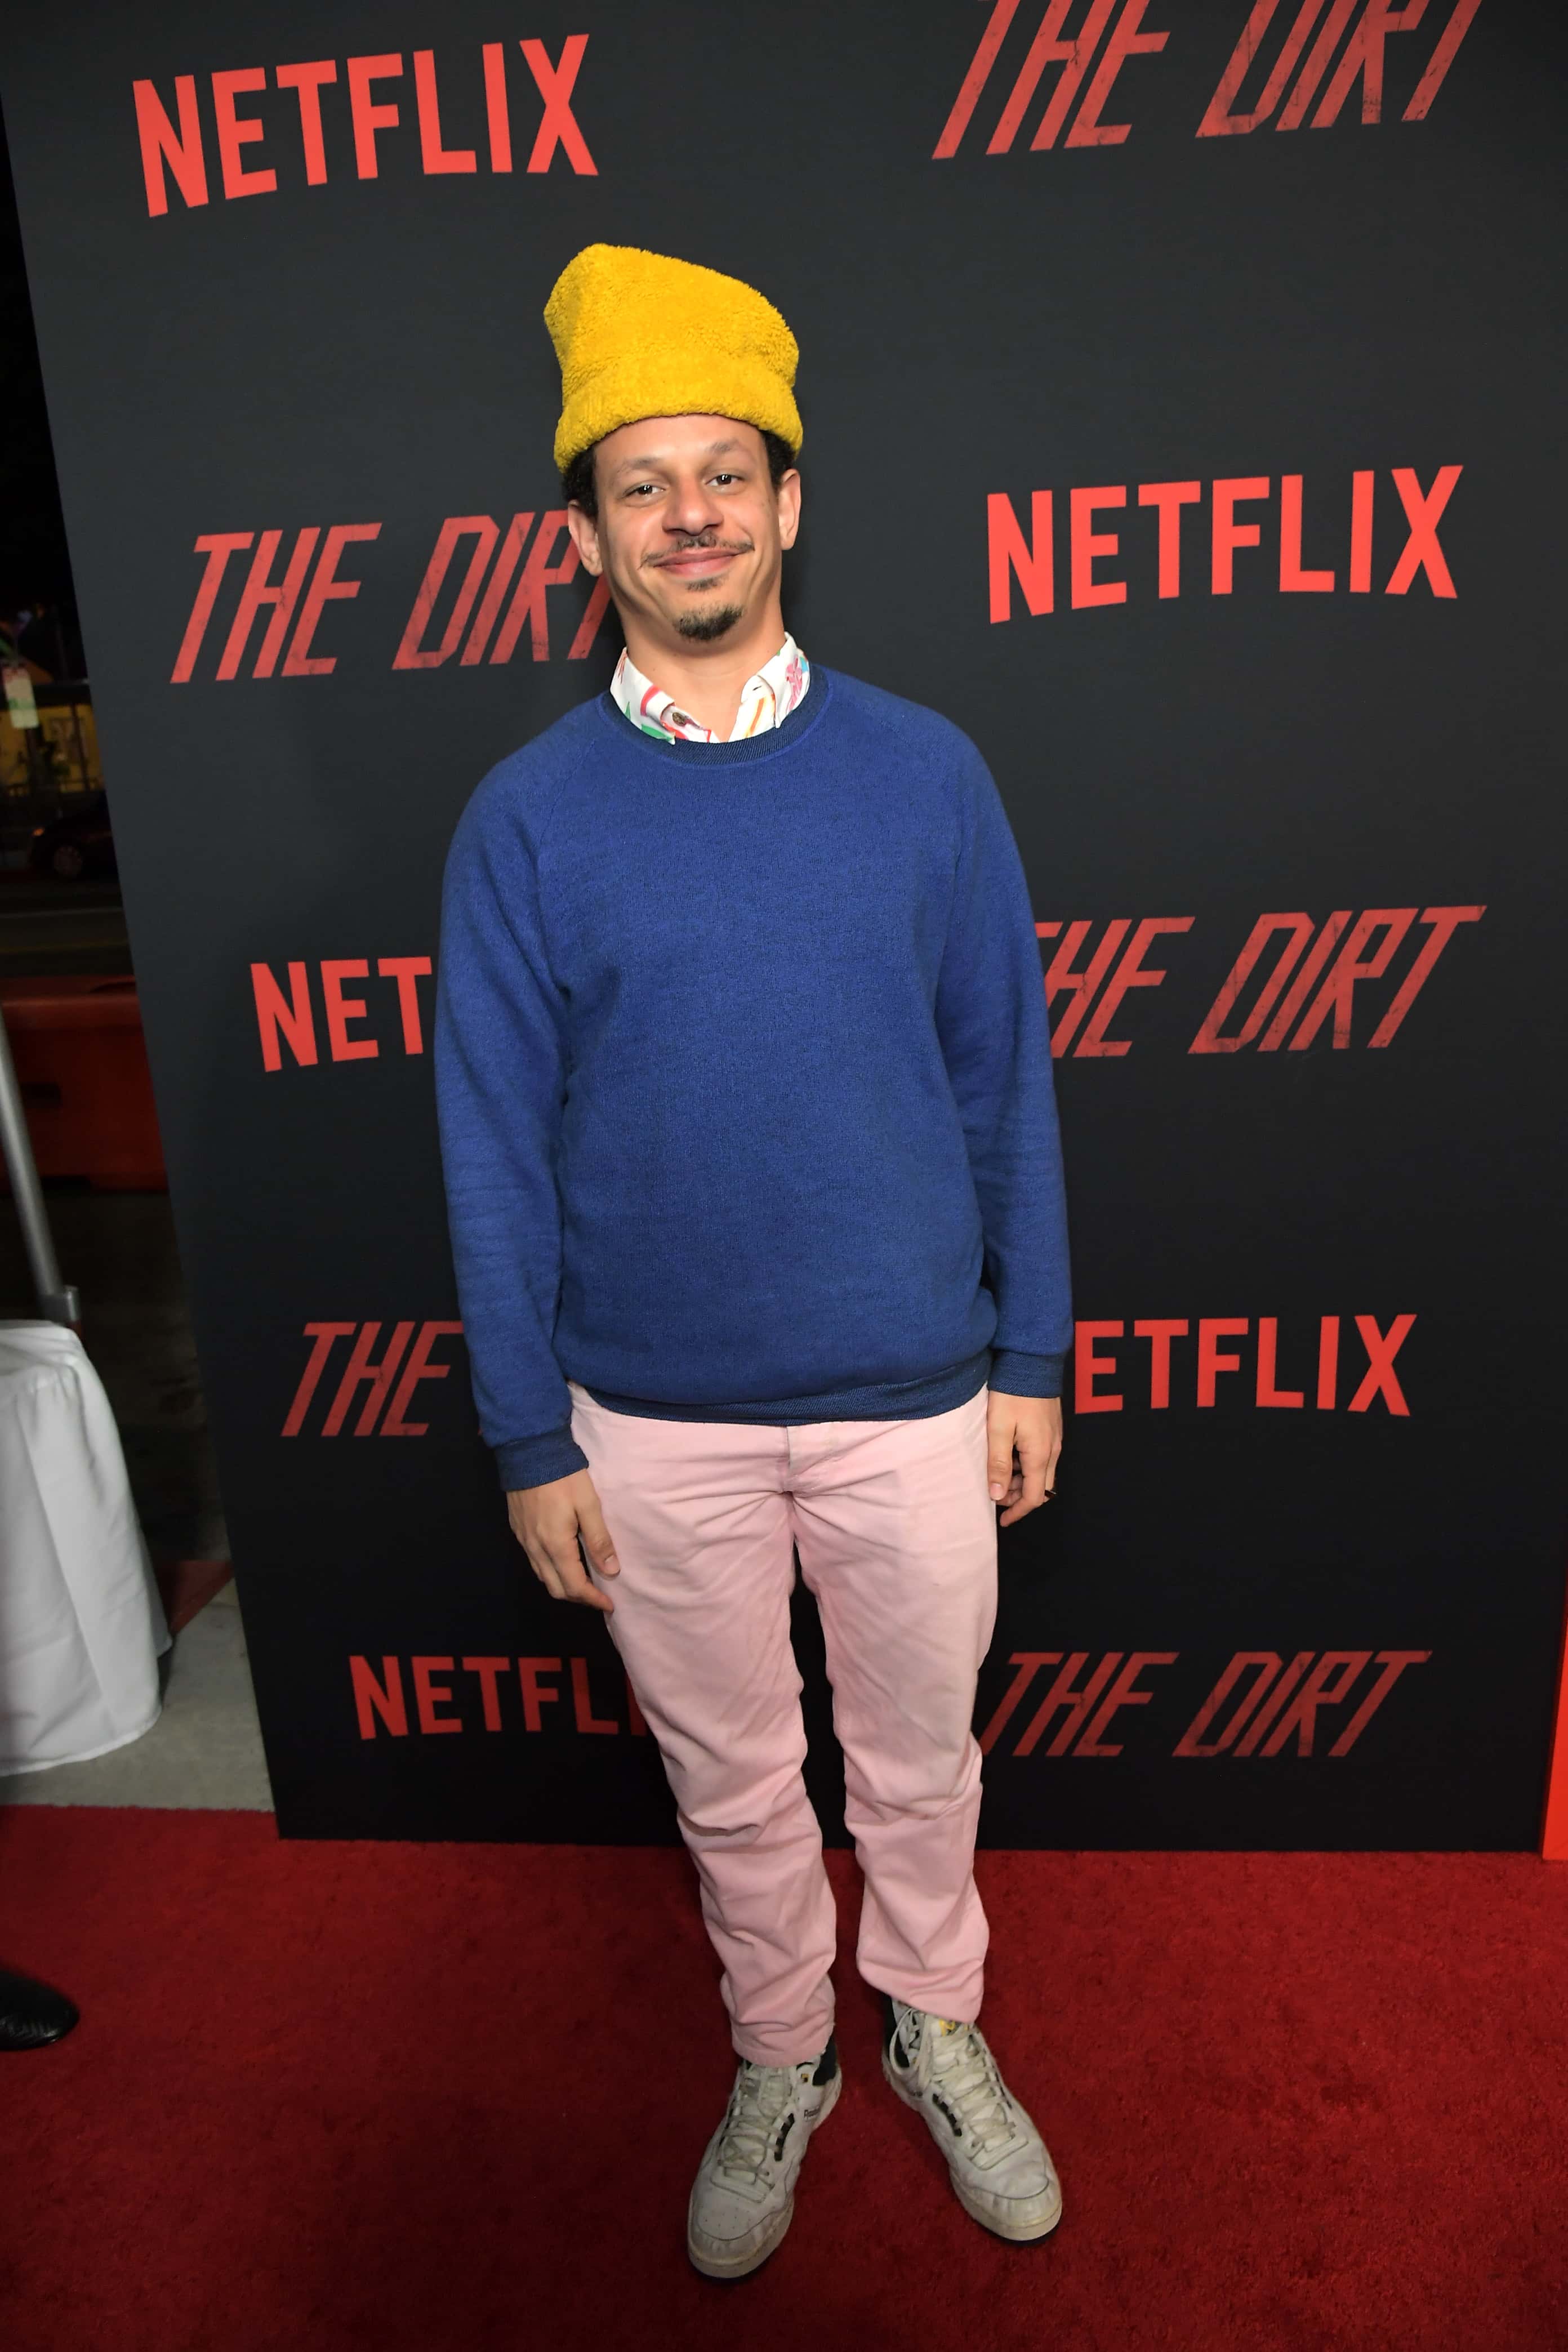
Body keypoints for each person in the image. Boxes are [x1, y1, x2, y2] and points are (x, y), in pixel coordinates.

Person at [434, 244, 1073, 2278]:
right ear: (588, 533)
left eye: (727, 474)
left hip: (913, 1399)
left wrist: (1031, 1359)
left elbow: (1005, 1082)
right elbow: (490, 1147)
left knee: (920, 1766)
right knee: (728, 1783)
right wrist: (530, 1436)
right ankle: (783, 2051)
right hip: (647, 1422)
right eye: (644, 484)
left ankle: (938, 2027)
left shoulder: (928, 773)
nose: (690, 514)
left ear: (790, 502)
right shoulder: (525, 819)